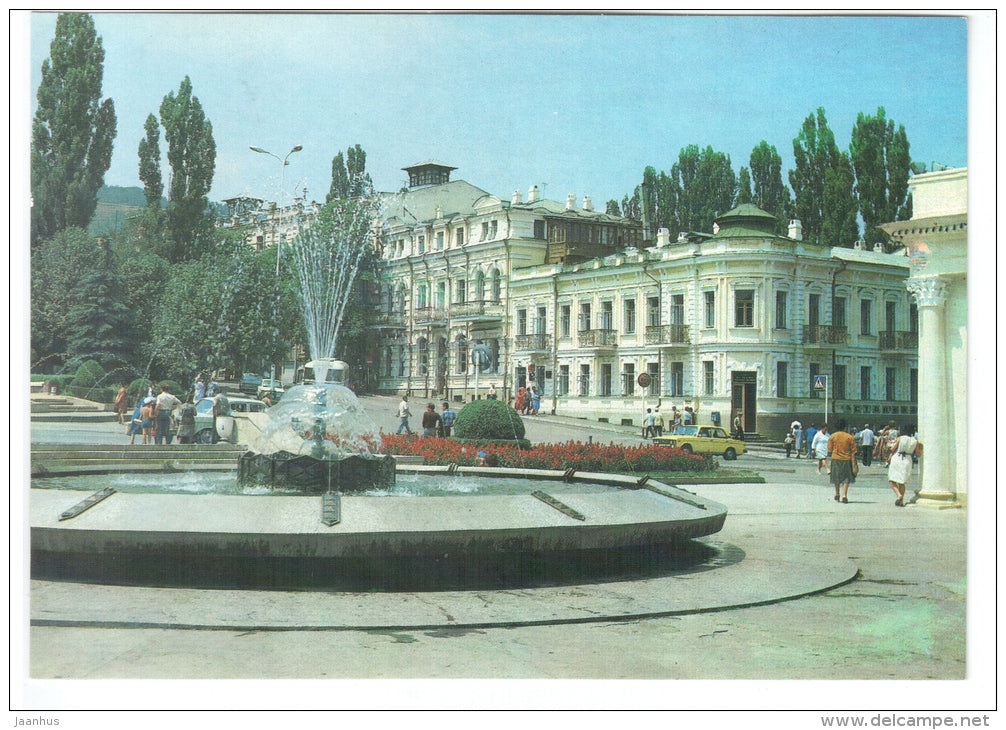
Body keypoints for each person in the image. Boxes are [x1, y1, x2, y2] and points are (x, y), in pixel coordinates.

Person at [888, 424, 922, 507]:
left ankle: (899, 495)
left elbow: (892, 449)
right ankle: (901, 501)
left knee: (892, 480)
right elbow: (918, 454)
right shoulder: (915, 441)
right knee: (901, 482)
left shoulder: (900, 438)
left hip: (898, 458)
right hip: (908, 459)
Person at [827, 421, 858, 503]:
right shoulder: (849, 437)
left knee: (836, 477)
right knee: (846, 478)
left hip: (835, 458)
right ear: (845, 427)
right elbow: (854, 450)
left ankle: (837, 493)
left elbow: (829, 449)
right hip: (847, 459)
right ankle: (844, 495)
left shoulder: (832, 436)